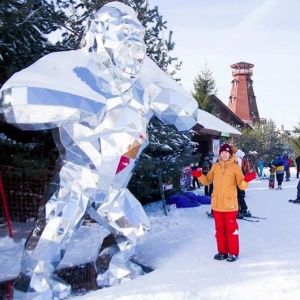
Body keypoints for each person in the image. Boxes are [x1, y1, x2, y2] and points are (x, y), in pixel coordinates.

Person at [0, 2, 198, 298]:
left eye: (137, 35)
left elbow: (187, 114)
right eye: (123, 33)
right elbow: (12, 101)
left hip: (114, 188)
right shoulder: (73, 66)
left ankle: (113, 266)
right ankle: (33, 286)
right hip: (77, 178)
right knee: (53, 233)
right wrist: (81, 101)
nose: (133, 44)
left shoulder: (143, 80)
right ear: (98, 35)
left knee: (136, 229)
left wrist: (159, 88)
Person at [197, 144, 256, 262]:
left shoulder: (235, 167)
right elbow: (207, 181)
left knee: (231, 230)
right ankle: (222, 252)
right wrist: (199, 176)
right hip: (217, 205)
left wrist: (246, 180)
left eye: (226, 152)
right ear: (220, 154)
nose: (224, 154)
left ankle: (233, 253)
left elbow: (241, 185)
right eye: (222, 152)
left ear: (230, 154)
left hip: (230, 205)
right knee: (219, 230)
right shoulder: (215, 166)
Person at [231, 146, 251, 217]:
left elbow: (237, 170)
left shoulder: (237, 159)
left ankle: (238, 210)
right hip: (242, 179)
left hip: (237, 179)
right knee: (240, 195)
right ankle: (244, 210)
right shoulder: (242, 157)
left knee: (237, 195)